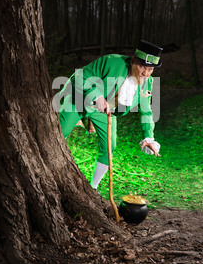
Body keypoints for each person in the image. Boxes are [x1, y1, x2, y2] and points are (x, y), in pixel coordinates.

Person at [56, 40, 163, 190]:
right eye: (142, 67)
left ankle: (93, 188)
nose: (145, 73)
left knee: (109, 146)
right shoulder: (111, 62)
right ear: (133, 60)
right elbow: (79, 77)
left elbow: (146, 111)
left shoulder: (147, 82)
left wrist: (149, 137)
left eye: (150, 70)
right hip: (80, 99)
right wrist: (97, 96)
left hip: (105, 112)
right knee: (59, 132)